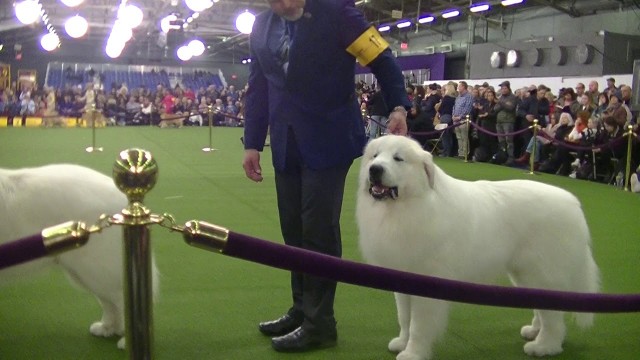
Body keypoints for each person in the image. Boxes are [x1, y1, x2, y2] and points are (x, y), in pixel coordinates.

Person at [241, 0, 410, 353]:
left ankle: (320, 323)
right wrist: (253, 142)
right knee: (293, 230)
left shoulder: (339, 13)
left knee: (318, 229)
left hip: (329, 138)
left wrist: (398, 106)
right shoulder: (260, 26)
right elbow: (258, 87)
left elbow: (382, 58)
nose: (281, 4)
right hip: (285, 141)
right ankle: (301, 309)